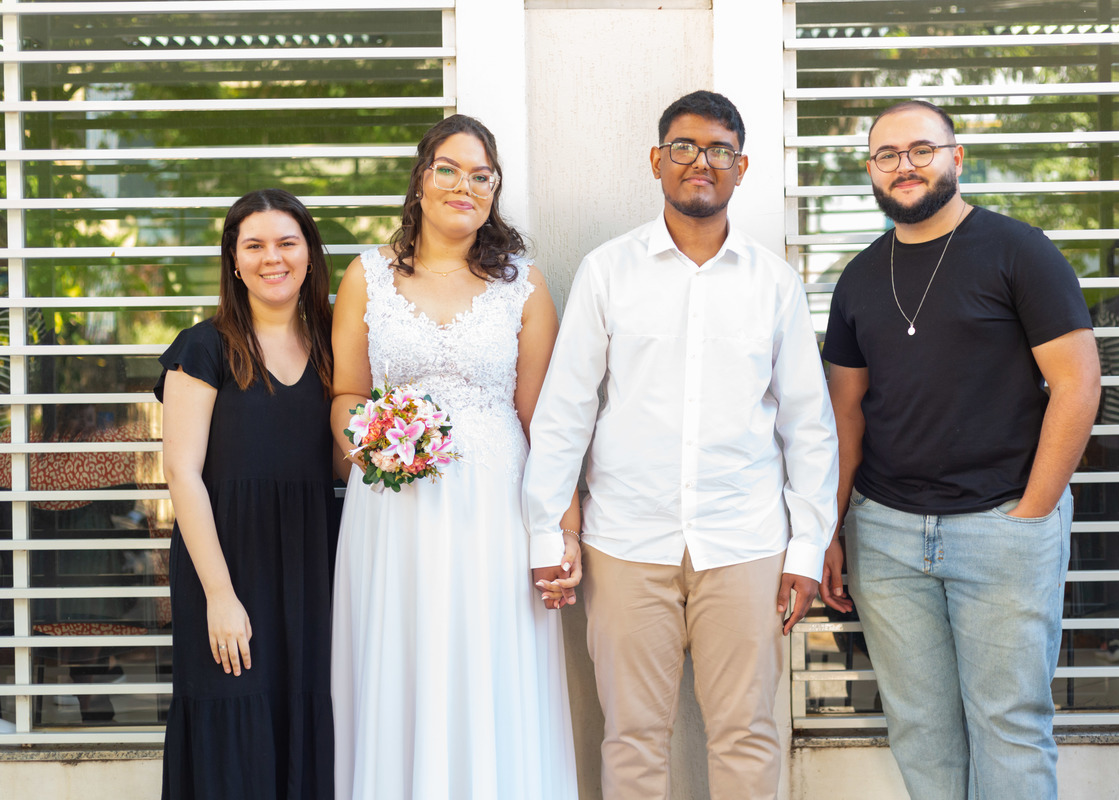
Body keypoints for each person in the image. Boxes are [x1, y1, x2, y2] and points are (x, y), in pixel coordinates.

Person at [523, 90, 839, 799]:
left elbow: (809, 426)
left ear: (742, 167)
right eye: (685, 147)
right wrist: (546, 530)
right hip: (626, 542)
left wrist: (806, 548)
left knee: (748, 735)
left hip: (747, 543)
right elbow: (566, 411)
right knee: (631, 738)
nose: (702, 161)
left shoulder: (774, 283)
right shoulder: (608, 271)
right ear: (657, 160)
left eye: (720, 150)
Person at [819, 100, 1101, 799]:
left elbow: (1078, 384)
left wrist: (1034, 512)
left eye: (921, 149)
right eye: (887, 155)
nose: (904, 166)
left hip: (1001, 525)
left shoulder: (1019, 251)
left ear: (956, 157)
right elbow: (845, 415)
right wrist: (832, 527)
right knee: (920, 728)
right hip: (886, 535)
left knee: (1010, 726)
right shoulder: (859, 277)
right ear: (871, 170)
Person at [328, 114, 579, 800]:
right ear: (421, 179)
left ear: (494, 192)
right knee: (401, 658)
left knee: (488, 660)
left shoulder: (525, 286)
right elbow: (347, 393)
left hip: (494, 512)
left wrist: (562, 529)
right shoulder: (367, 276)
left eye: (481, 176)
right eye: (449, 169)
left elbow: (545, 421)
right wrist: (373, 441)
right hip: (394, 511)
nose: (463, 186)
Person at [157, 188, 338, 798]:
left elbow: (344, 462)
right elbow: (181, 472)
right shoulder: (202, 347)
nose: (272, 258)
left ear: (309, 254)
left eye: (287, 242)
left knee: (304, 717)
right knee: (232, 725)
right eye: (254, 245)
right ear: (234, 261)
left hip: (312, 567)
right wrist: (220, 595)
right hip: (227, 565)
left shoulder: (334, 347)